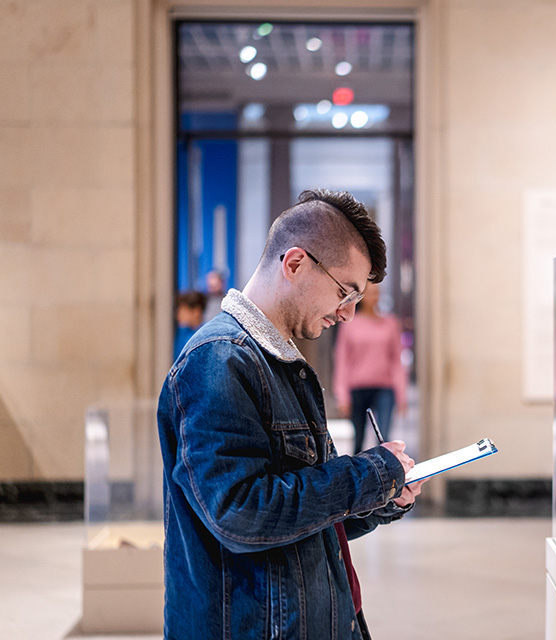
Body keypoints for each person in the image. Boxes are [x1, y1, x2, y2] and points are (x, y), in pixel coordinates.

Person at [157, 188, 425, 639]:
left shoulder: (281, 363)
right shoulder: (218, 361)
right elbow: (240, 514)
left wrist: (383, 498)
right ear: (295, 263)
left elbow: (305, 514)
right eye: (345, 291)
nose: (348, 313)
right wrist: (367, 476)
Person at [333, 282, 408, 454]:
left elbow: (396, 360)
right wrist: (342, 396)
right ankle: (359, 478)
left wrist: (401, 394)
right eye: (371, 293)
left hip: (384, 388)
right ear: (362, 297)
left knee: (384, 438)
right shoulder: (350, 324)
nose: (375, 297)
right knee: (358, 440)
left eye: (377, 293)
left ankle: (388, 476)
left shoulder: (390, 323)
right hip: (357, 389)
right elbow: (342, 360)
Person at [173, 290, 206, 359]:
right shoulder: (179, 333)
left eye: (183, 311)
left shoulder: (206, 335)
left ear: (196, 311)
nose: (178, 315)